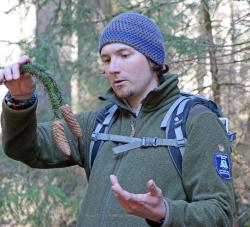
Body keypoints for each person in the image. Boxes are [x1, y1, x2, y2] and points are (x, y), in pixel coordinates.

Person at [0, 12, 234, 227]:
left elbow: (219, 213)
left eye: (124, 55)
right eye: (106, 59)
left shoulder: (195, 120)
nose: (113, 68)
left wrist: (166, 212)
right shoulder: (97, 125)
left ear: (153, 61)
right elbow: (25, 147)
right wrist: (20, 99)